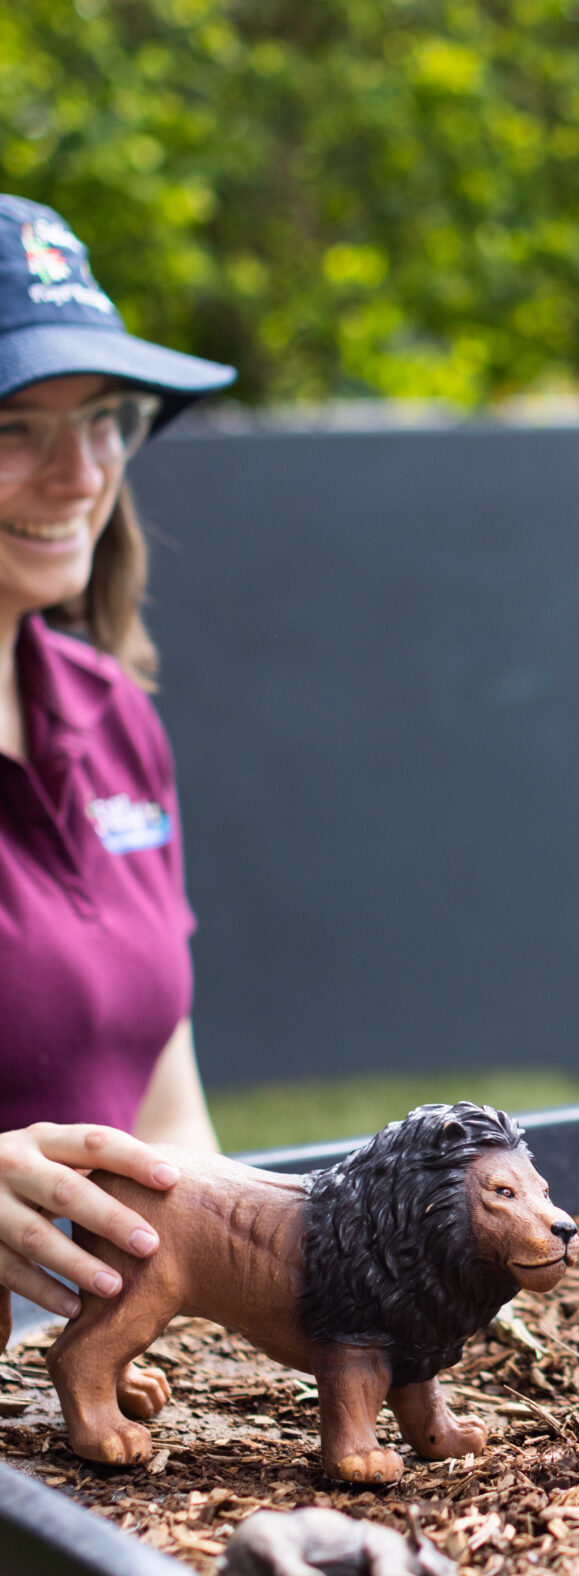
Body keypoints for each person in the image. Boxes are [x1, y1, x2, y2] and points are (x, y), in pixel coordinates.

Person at [0, 196, 235, 1339]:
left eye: (103, 419)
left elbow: (172, 1126)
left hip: (102, 1406)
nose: (80, 474)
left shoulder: (114, 718)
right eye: (13, 428)